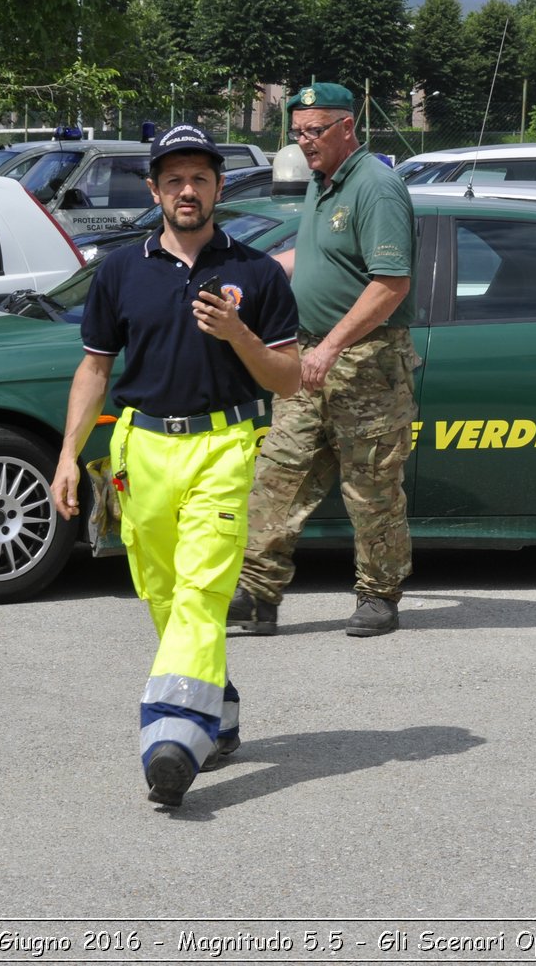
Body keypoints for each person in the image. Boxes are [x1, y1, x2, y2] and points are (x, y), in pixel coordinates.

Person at [50, 123, 300, 808]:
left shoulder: (254, 271)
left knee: (200, 593)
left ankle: (173, 739)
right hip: (142, 449)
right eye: (173, 179)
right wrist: (68, 456)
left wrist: (238, 334)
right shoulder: (121, 270)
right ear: (156, 190)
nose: (187, 190)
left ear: (220, 186)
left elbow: (287, 378)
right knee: (163, 595)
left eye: (199, 178)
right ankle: (217, 707)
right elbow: (94, 367)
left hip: (223, 448)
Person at [227, 81, 419, 639]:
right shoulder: (322, 182)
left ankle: (379, 594)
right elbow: (309, 257)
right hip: (307, 355)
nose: (305, 143)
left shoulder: (376, 188)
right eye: (298, 132)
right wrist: (252, 276)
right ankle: (258, 595)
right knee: (279, 473)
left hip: (368, 362)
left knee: (371, 486)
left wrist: (333, 344)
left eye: (315, 131)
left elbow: (391, 283)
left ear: (347, 129)